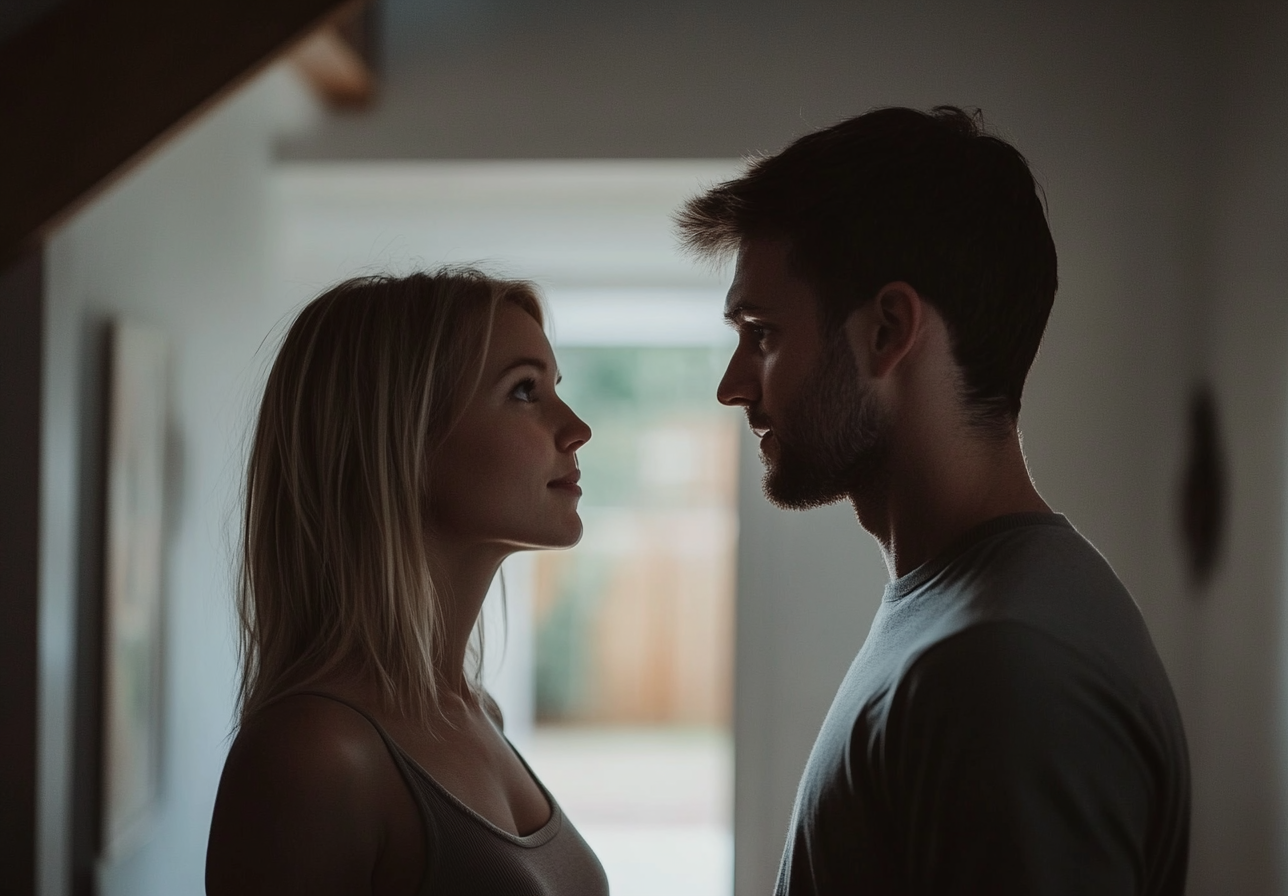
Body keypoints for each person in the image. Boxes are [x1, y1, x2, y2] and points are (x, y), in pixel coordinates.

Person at [677, 106, 1190, 895]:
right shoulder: (963, 615)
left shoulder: (1007, 670)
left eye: (763, 333)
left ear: (888, 331)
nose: (732, 385)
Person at [205, 270, 607, 896]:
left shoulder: (480, 715)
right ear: (400, 437)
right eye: (525, 391)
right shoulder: (314, 755)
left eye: (555, 386)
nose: (577, 427)